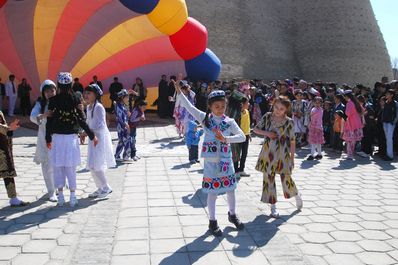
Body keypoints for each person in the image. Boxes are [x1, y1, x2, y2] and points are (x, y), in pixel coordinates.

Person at [175, 80, 245, 237]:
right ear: (210, 107)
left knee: (231, 190)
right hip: (211, 164)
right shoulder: (205, 119)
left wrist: (226, 139)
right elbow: (190, 107)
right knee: (212, 192)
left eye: (222, 107)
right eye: (216, 107)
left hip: (227, 162)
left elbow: (241, 137)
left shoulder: (230, 122)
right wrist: (180, 93)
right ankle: (212, 221)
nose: (220, 110)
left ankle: (232, 214)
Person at [46, 72, 98, 207]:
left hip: (57, 138)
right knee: (71, 168)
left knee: (58, 168)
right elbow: (81, 119)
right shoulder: (76, 98)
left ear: (58, 84)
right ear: (70, 84)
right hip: (70, 139)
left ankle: (61, 196)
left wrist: (47, 138)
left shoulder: (53, 100)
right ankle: (73, 197)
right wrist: (91, 135)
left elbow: (49, 121)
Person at [253, 96, 302, 218]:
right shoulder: (268, 116)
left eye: (281, 108)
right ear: (273, 105)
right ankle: (273, 207)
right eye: (276, 107)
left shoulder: (289, 122)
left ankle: (296, 195)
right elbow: (255, 129)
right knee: (268, 179)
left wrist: (292, 159)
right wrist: (267, 133)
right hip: (267, 153)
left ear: (286, 110)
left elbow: (292, 141)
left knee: (286, 178)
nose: (278, 110)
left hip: (282, 155)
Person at [82, 84, 115, 198]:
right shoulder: (89, 107)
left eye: (89, 93)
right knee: (91, 164)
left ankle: (106, 187)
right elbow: (87, 122)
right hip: (92, 138)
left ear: (96, 95)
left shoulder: (98, 107)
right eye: (85, 93)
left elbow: (100, 125)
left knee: (97, 164)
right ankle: (100, 188)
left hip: (99, 139)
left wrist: (86, 132)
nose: (86, 95)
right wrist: (84, 131)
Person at [30, 80, 58, 202]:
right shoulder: (40, 103)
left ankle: (58, 186)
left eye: (52, 90)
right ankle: (51, 191)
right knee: (47, 166)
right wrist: (44, 115)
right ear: (43, 93)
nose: (50, 93)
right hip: (44, 139)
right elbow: (32, 116)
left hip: (58, 138)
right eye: (47, 91)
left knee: (58, 164)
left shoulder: (60, 101)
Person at [0, 112, 29, 207]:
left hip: (2, 146)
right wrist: (8, 128)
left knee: (8, 173)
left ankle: (13, 198)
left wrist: (10, 128)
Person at [342, 90, 364, 160]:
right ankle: (350, 154)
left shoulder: (349, 103)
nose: (344, 98)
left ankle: (350, 155)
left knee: (349, 140)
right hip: (357, 122)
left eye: (344, 96)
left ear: (347, 96)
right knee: (353, 140)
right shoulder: (356, 102)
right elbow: (362, 110)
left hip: (350, 123)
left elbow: (347, 113)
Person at [114, 89, 132, 162]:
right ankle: (127, 156)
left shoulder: (122, 106)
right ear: (122, 98)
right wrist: (126, 125)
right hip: (122, 126)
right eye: (126, 97)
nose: (128, 99)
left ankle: (117, 156)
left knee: (121, 141)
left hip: (121, 126)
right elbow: (120, 118)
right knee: (127, 140)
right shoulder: (119, 107)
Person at [382, 89, 398, 161]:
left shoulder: (395, 103)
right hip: (385, 122)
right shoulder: (386, 102)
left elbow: (397, 114)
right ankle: (388, 154)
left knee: (389, 139)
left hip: (391, 123)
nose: (386, 95)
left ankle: (390, 155)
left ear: (391, 95)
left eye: (388, 94)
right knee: (387, 138)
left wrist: (394, 122)